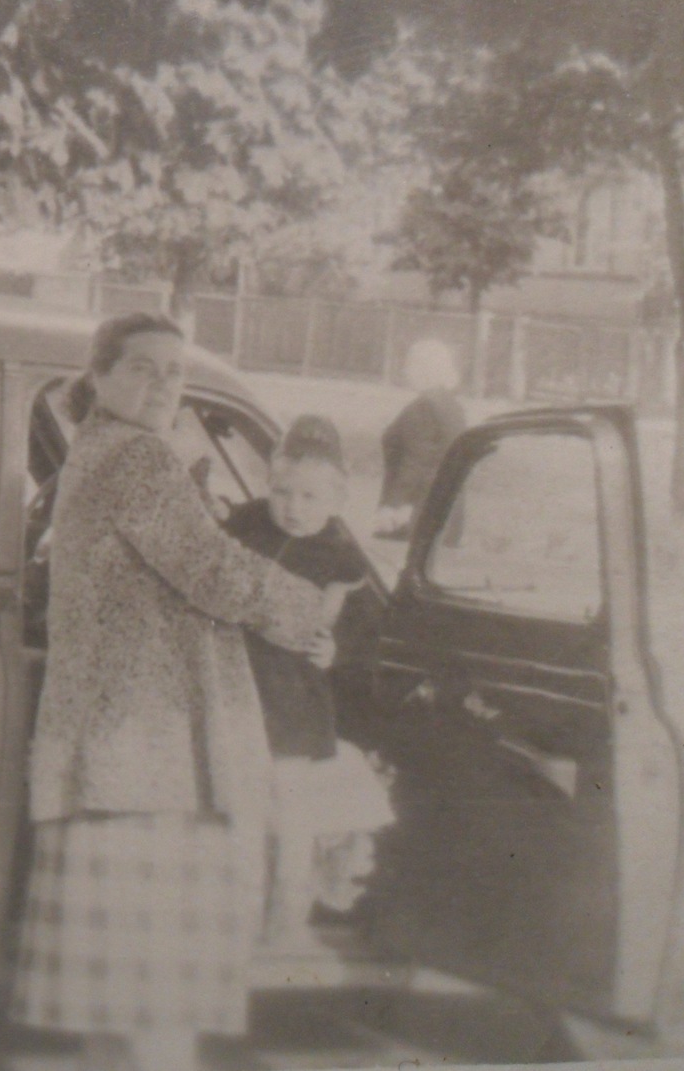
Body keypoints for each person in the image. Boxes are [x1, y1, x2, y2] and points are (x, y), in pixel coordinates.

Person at [12, 312, 332, 1071]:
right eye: (142, 367)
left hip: (108, 753)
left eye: (175, 372)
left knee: (113, 1001)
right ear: (98, 377)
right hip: (154, 758)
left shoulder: (94, 450)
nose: (163, 384)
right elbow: (213, 567)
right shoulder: (138, 460)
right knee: (163, 1002)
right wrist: (310, 611)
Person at [222, 415, 393, 949]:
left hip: (294, 707)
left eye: (311, 497)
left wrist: (338, 650)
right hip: (238, 695)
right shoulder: (245, 527)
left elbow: (370, 630)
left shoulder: (341, 556)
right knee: (238, 823)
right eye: (282, 492)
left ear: (338, 499)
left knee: (291, 826)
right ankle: (233, 926)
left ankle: (282, 928)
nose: (294, 507)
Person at [375, 339, 467, 540]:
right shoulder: (452, 406)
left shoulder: (423, 408)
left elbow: (415, 463)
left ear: (427, 369)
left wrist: (393, 506)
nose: (405, 371)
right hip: (447, 506)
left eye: (410, 364)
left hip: (415, 509)